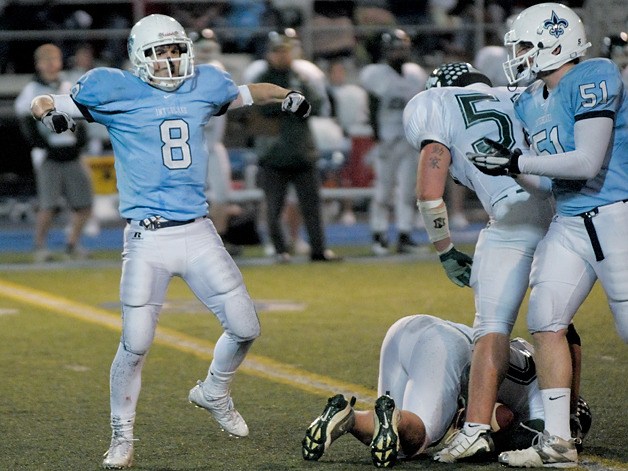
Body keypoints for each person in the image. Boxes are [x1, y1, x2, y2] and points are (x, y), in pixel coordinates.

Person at [29, 14, 313, 469]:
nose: (170, 59)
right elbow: (44, 99)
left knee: (245, 327)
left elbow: (246, 93)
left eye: (175, 50)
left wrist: (287, 96)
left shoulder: (205, 83)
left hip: (198, 231)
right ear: (141, 56)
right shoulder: (112, 88)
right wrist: (51, 116)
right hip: (146, 237)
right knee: (136, 342)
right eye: (160, 52)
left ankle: (214, 390)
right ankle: (122, 436)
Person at [467, 3, 628, 467]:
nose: (516, 54)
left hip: (615, 216)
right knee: (545, 319)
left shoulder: (594, 75)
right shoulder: (528, 99)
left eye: (523, 45)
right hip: (571, 221)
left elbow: (586, 162)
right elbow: (546, 180)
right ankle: (559, 441)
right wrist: (505, 165)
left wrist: (518, 161)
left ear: (553, 42)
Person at [403, 62, 558, 463]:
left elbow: (430, 191)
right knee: (558, 322)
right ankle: (563, 422)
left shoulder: (434, 102)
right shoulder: (516, 94)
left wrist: (445, 249)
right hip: (562, 207)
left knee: (490, 326)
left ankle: (474, 429)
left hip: (510, 219)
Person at [301, 314, 590, 468]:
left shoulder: (535, 357)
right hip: (445, 351)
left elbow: (571, 341)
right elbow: (501, 417)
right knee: (416, 439)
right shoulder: (543, 412)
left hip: (411, 328)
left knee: (390, 435)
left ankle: (348, 416)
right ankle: (373, 419)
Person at [248, 31, 341, 263]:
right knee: (273, 208)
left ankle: (318, 250)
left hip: (302, 151)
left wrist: (288, 105)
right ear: (269, 53)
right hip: (273, 153)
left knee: (312, 207)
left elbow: (316, 105)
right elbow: (258, 111)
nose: (283, 56)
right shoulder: (261, 79)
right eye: (278, 51)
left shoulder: (301, 76)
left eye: (286, 51)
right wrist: (289, 105)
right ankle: (280, 250)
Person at [14, 43, 93, 263]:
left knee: (84, 204)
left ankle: (72, 243)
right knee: (48, 205)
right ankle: (39, 246)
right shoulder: (32, 90)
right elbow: (25, 122)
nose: (51, 64)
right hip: (49, 156)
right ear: (38, 64)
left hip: (72, 153)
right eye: (46, 60)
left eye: (54, 59)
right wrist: (42, 143)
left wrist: (80, 140)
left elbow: (80, 117)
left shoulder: (67, 85)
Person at [359, 29, 428, 255]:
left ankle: (404, 235)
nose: (400, 52)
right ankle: (379, 235)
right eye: (396, 48)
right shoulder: (376, 74)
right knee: (384, 189)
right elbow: (373, 108)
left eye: (402, 47)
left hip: (410, 137)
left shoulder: (415, 73)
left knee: (408, 190)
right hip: (387, 139)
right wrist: (377, 138)